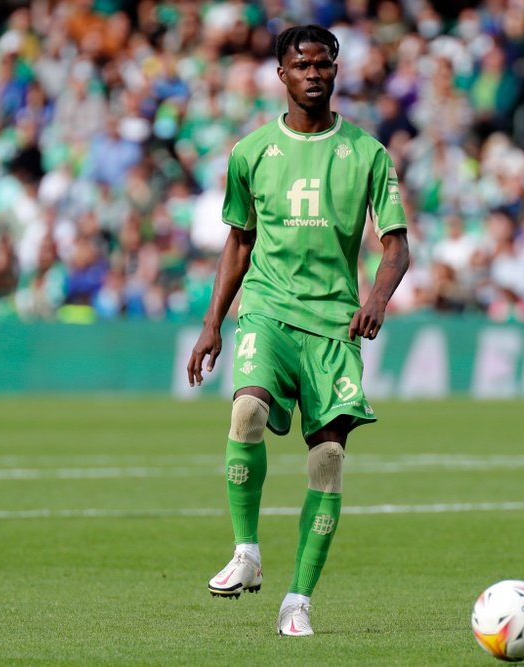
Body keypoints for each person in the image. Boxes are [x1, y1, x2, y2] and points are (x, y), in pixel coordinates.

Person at [186, 25, 410, 637]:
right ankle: (247, 552)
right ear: (281, 75)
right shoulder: (250, 152)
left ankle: (298, 600)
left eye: (324, 65)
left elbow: (396, 247)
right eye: (301, 65)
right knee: (247, 416)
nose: (314, 74)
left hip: (334, 325)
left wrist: (376, 299)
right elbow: (238, 242)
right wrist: (212, 325)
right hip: (267, 310)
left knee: (329, 460)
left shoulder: (367, 152)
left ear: (336, 71)